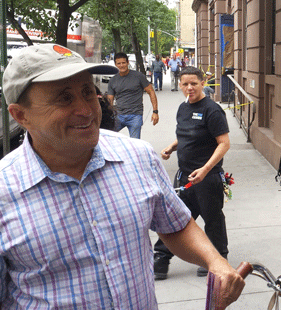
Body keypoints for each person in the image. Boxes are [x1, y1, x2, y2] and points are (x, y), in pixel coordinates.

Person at [0, 44, 245, 309]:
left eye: (88, 92)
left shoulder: (138, 156)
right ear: (20, 115)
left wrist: (215, 261)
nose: (86, 110)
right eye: (64, 98)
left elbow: (175, 224)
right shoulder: (5, 191)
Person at [154, 66, 231, 280]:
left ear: (202, 83)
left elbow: (224, 143)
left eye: (194, 84)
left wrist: (205, 170)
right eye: (185, 84)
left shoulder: (212, 110)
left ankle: (217, 258)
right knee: (175, 218)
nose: (189, 88)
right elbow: (187, 135)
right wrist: (172, 146)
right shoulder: (183, 108)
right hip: (185, 177)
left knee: (213, 219)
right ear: (180, 85)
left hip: (207, 178)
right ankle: (161, 258)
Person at [107, 52, 159, 139]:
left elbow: (151, 92)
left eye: (123, 63)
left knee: (135, 143)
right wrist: (107, 116)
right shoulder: (113, 80)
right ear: (115, 64)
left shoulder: (138, 76)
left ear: (127, 62)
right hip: (118, 116)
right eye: (119, 63)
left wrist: (155, 112)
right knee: (106, 137)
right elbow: (110, 100)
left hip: (135, 116)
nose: (121, 65)